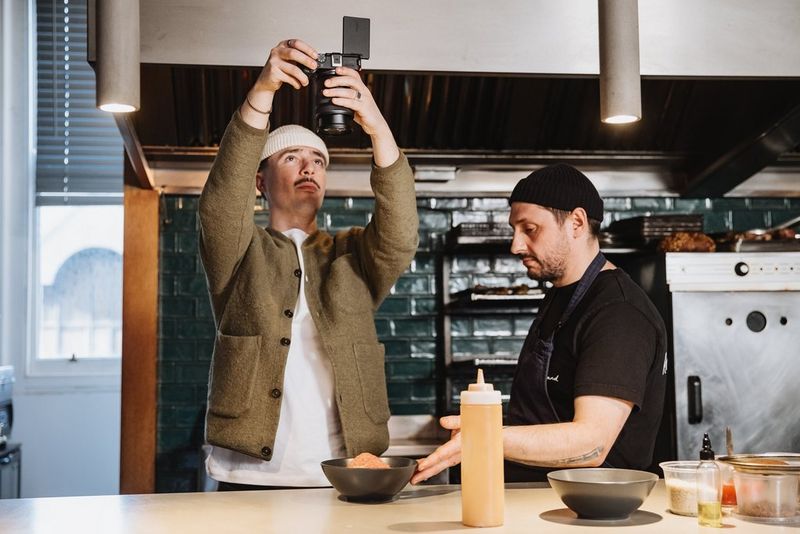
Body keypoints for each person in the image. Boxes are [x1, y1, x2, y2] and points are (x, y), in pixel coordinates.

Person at [198, 38, 419, 490]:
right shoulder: (239, 251)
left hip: (343, 470)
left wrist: (376, 127)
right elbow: (221, 204)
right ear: (260, 180)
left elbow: (400, 233)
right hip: (249, 475)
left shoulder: (352, 255)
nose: (309, 167)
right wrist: (262, 92)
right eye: (292, 157)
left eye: (319, 159)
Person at [412, 163, 667, 484]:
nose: (515, 245)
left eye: (529, 229)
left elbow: (593, 443)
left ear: (576, 222)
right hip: (537, 496)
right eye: (514, 230)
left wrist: (486, 436)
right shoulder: (561, 296)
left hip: (590, 507)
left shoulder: (618, 313)